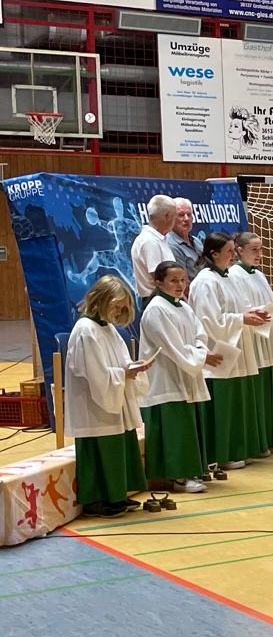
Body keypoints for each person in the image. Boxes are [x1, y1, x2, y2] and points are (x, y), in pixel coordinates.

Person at [65, 275, 152, 518]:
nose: (118, 312)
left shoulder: (108, 328)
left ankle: (117, 494)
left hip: (114, 395)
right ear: (100, 300)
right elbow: (95, 373)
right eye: (115, 306)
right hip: (93, 404)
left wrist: (133, 367)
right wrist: (123, 373)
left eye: (122, 307)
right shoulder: (85, 330)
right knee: (99, 448)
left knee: (119, 444)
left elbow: (121, 360)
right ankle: (96, 499)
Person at [139, 261, 224, 494]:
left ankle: (193, 470)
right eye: (174, 280)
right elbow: (172, 346)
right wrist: (201, 357)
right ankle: (178, 477)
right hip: (166, 378)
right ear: (159, 283)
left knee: (188, 425)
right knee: (175, 429)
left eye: (183, 280)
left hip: (186, 374)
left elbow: (200, 335)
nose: (180, 285)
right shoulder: (156, 309)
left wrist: (201, 351)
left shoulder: (183, 306)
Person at [188, 232, 269, 471]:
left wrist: (253, 313)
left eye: (234, 250)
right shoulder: (206, 281)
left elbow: (239, 308)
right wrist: (241, 318)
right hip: (219, 350)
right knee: (222, 405)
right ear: (214, 254)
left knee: (238, 402)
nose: (233, 256)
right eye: (229, 252)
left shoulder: (227, 277)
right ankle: (221, 454)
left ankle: (237, 448)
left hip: (238, 346)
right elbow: (208, 321)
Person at [230, 232, 273, 454]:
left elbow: (269, 302)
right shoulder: (235, 275)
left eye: (261, 249)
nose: (259, 254)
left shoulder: (258, 274)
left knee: (271, 388)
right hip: (254, 339)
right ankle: (257, 440)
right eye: (254, 250)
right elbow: (245, 309)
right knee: (257, 390)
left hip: (268, 339)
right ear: (239, 250)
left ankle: (272, 436)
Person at [130, 194, 177, 307]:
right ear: (167, 216)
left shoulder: (157, 239)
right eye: (175, 216)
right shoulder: (149, 241)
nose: (175, 221)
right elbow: (159, 277)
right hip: (157, 302)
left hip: (163, 300)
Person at [167, 197, 204, 282]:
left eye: (189, 214)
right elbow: (183, 282)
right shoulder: (170, 245)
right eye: (181, 215)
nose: (186, 219)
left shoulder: (196, 241)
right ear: (171, 218)